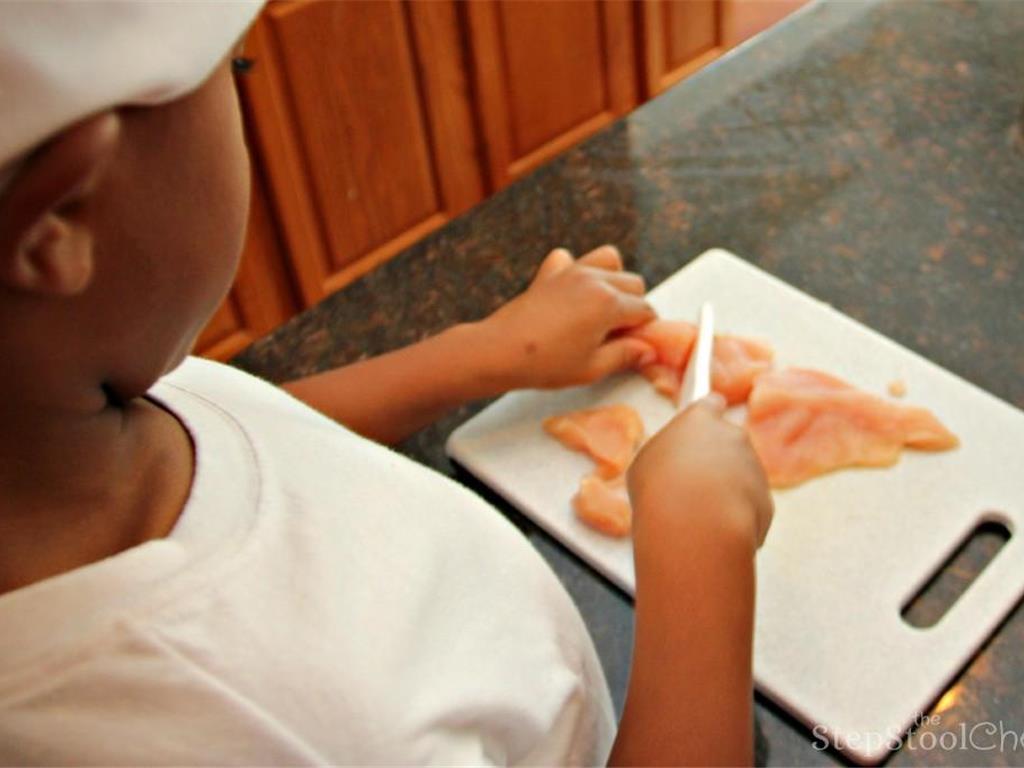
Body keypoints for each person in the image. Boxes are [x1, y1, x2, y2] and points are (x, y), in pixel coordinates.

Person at [0, 3, 773, 765]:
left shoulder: (56, 420)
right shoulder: (278, 727)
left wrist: (482, 354)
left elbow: (246, 442)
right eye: (236, 68)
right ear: (62, 213)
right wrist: (700, 565)